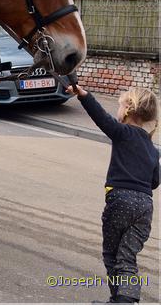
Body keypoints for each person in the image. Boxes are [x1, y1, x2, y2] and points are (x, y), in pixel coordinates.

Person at [65, 85, 159, 303]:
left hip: (120, 201)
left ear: (128, 109)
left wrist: (84, 95)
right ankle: (127, 300)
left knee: (112, 254)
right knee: (128, 256)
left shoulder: (122, 132)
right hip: (145, 207)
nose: (117, 110)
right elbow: (155, 181)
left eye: (120, 105)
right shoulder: (153, 149)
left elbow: (101, 118)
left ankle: (118, 299)